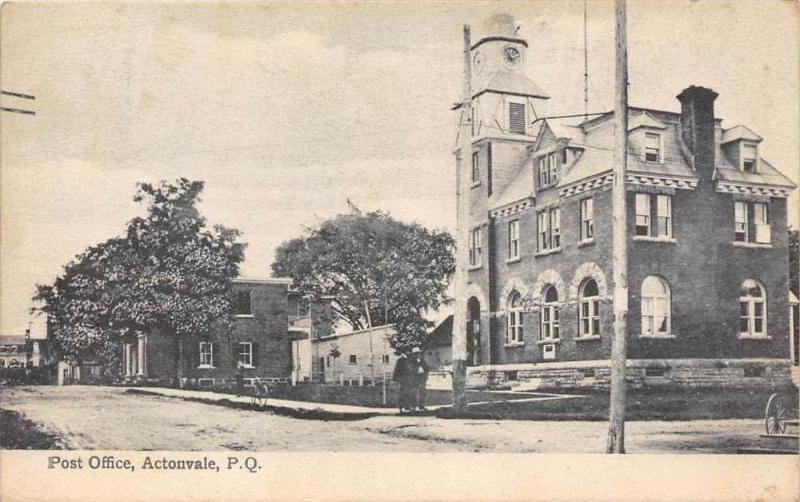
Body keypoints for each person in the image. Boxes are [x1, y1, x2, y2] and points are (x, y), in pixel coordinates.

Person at [410, 346, 429, 411]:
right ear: (413, 354)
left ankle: (422, 406)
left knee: (423, 392)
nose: (418, 355)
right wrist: (417, 370)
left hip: (422, 379)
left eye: (419, 353)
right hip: (415, 379)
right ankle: (413, 406)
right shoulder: (411, 361)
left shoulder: (422, 360)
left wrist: (424, 372)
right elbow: (410, 369)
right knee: (414, 392)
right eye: (416, 353)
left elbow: (427, 368)